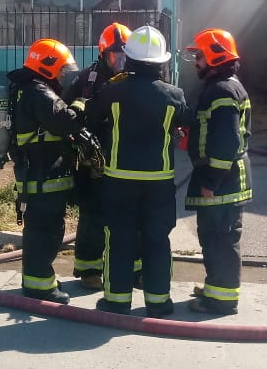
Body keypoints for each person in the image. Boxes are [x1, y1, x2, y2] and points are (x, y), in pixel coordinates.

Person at [86, 25, 187, 318]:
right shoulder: (175, 95)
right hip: (159, 181)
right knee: (157, 238)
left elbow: (91, 116)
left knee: (119, 238)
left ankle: (117, 302)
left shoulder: (112, 92)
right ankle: (159, 303)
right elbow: (186, 121)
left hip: (120, 179)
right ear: (162, 62)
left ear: (128, 58)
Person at [7, 38, 86, 303]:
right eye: (61, 69)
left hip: (34, 174)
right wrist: (79, 105)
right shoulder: (39, 92)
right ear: (47, 65)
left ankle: (37, 279)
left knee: (38, 230)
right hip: (44, 176)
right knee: (47, 231)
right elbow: (64, 122)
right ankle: (40, 286)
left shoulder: (24, 88)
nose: (64, 75)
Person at [183, 28, 252, 316]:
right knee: (212, 236)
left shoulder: (223, 90)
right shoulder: (223, 86)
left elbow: (226, 142)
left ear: (214, 55)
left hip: (222, 181)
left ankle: (222, 300)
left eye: (199, 55)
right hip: (223, 179)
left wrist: (211, 179)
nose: (196, 61)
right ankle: (215, 287)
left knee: (220, 238)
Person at [62, 22, 131, 291]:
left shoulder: (135, 78)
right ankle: (90, 269)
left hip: (125, 157)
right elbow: (65, 113)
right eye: (116, 55)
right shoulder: (86, 79)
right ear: (104, 54)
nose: (121, 61)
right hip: (93, 161)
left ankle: (129, 270)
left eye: (125, 55)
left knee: (125, 217)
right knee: (92, 215)